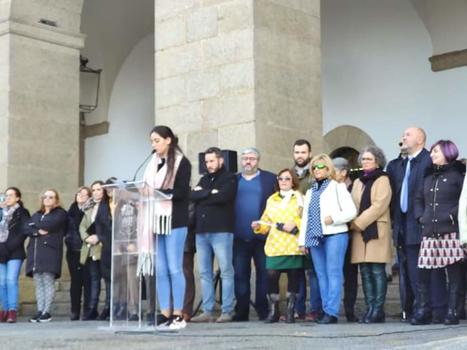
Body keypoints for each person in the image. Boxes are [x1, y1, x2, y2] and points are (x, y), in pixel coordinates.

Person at [387, 127, 447, 322]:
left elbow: (431, 194)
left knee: (431, 270)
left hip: (423, 224)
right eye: (403, 133)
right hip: (404, 226)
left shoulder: (428, 161)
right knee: (412, 270)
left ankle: (435, 310)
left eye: (408, 134)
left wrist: (423, 218)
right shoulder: (401, 165)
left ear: (420, 140)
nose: (403, 136)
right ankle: (420, 308)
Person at [141, 125, 191, 330]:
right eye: (152, 141)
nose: (154, 145)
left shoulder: (181, 162)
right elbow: (144, 187)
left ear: (168, 140)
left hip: (175, 220)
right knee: (160, 270)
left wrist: (160, 192)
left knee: (174, 267)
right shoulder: (153, 163)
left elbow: (182, 192)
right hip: (155, 220)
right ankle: (164, 312)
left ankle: (178, 313)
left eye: (157, 140)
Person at [411, 140, 465, 325]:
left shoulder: (458, 176)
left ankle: (452, 312)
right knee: (423, 274)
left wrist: (452, 215)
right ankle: (424, 310)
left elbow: (464, 202)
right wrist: (421, 217)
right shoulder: (428, 177)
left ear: (447, 153)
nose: (432, 154)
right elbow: (418, 199)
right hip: (429, 231)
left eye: (435, 151)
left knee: (454, 275)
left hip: (450, 231)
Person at [299, 154, 357, 324]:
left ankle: (332, 312)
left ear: (328, 169)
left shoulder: (337, 187)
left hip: (335, 235)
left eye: (321, 167)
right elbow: (306, 219)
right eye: (314, 167)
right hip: (315, 237)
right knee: (321, 274)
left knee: (333, 273)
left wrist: (334, 218)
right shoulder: (310, 192)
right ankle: (325, 310)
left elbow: (351, 211)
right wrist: (302, 241)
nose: (317, 170)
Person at [191, 147, 237, 323]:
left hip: (221, 231)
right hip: (201, 232)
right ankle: (207, 311)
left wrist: (202, 194)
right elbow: (192, 195)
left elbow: (224, 197)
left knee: (226, 270)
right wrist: (210, 193)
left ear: (220, 160)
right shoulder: (204, 178)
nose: (208, 164)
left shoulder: (229, 178)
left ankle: (227, 310)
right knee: (204, 272)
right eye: (206, 161)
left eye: (211, 161)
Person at [252, 168, 304, 323]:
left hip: (293, 244)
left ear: (293, 181)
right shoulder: (272, 199)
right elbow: (266, 222)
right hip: (275, 244)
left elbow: (306, 218)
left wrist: (295, 224)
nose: (283, 181)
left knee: (294, 277)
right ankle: (273, 312)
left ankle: (290, 312)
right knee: (271, 276)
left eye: (287, 179)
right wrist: (258, 227)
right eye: (280, 179)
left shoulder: (300, 198)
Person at [349, 147, 392, 323]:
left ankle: (378, 310)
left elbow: (379, 205)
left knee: (377, 270)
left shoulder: (383, 179)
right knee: (365, 271)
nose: (365, 162)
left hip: (376, 230)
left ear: (378, 161)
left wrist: (358, 223)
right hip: (360, 233)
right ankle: (369, 308)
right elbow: (352, 205)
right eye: (363, 159)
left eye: (369, 159)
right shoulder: (358, 182)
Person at [233, 147, 276, 322]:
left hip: (262, 237)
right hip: (239, 236)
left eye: (251, 158)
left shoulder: (269, 179)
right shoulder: (233, 180)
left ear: (258, 160)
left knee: (264, 275)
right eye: (245, 159)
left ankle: (263, 310)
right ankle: (241, 311)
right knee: (240, 275)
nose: (248, 162)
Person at [26, 189, 68, 323]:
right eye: (45, 197)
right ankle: (39, 310)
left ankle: (47, 311)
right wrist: (37, 230)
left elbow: (50, 225)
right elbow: (26, 228)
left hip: (50, 251)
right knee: (38, 281)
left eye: (51, 197)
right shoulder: (37, 214)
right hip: (36, 252)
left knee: (48, 280)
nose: (48, 199)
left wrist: (34, 227)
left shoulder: (60, 213)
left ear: (56, 200)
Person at [292, 139, 322, 321]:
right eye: (297, 152)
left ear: (310, 154)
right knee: (297, 272)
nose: (300, 156)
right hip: (292, 232)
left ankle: (315, 310)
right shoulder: (288, 175)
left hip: (312, 228)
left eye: (303, 152)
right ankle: (298, 309)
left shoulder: (315, 174)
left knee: (313, 272)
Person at [80, 181, 112, 321]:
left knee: (107, 279)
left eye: (99, 189)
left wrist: (99, 237)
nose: (96, 192)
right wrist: (87, 237)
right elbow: (82, 226)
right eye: (94, 190)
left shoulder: (108, 206)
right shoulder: (89, 207)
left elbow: (109, 226)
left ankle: (108, 308)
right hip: (90, 247)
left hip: (103, 246)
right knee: (94, 279)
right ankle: (92, 308)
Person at [333, 157, 359, 322]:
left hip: (352, 234)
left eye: (333, 170)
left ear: (343, 172)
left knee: (350, 275)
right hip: (334, 234)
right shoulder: (330, 187)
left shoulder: (354, 187)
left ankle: (349, 309)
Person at [0, 187, 30, 323]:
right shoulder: (1, 212)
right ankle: (4, 310)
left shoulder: (22, 212)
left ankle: (12, 310)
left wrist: (9, 246)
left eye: (11, 195)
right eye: (6, 195)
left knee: (11, 280)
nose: (8, 198)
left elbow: (23, 232)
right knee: (1, 282)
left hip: (15, 251)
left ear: (18, 198)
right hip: (1, 251)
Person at [65, 186, 92, 321]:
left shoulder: (91, 210)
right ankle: (74, 310)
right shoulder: (70, 211)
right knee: (75, 281)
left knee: (88, 281)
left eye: (84, 194)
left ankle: (88, 310)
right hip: (73, 250)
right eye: (78, 193)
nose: (80, 196)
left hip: (88, 249)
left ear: (89, 197)